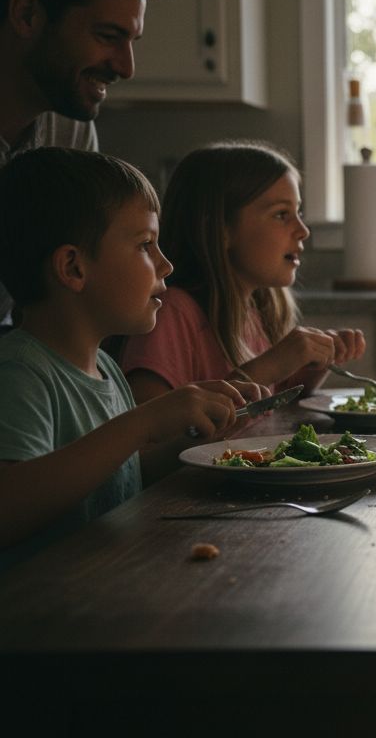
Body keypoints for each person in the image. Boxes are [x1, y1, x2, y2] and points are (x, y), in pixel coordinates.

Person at [0, 148, 262, 554]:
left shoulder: (104, 367)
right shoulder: (20, 371)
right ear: (73, 268)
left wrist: (198, 442)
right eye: (145, 245)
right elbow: (10, 507)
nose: (165, 265)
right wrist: (142, 423)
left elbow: (121, 476)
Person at [120, 141, 366, 404]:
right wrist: (269, 366)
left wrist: (312, 364)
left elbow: (267, 407)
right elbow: (148, 438)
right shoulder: (172, 314)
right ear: (220, 229)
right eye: (282, 214)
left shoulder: (254, 310)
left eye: (299, 212)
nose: (303, 230)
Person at [0, 0, 165, 323]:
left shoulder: (69, 131)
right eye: (108, 36)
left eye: (132, 40)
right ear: (27, 14)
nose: (126, 67)